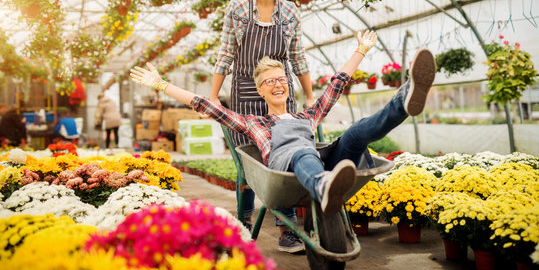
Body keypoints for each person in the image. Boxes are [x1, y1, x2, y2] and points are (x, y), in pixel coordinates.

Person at [130, 31, 437, 219]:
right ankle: (323, 186)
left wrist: (360, 50)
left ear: (287, 85)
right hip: (286, 167)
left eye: (281, 79)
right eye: (269, 82)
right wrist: (161, 84)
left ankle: (404, 101)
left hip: (321, 162)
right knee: (301, 152)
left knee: (355, 134)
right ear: (261, 90)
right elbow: (205, 104)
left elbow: (336, 85)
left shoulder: (307, 115)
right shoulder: (253, 122)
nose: (277, 84)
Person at [210, 0, 315, 252]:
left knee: (284, 159)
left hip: (281, 92)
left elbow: (298, 58)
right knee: (247, 164)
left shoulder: (292, 11)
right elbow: (226, 55)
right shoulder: (238, 9)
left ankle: (287, 230)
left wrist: (309, 96)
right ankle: (243, 224)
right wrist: (214, 96)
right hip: (244, 92)